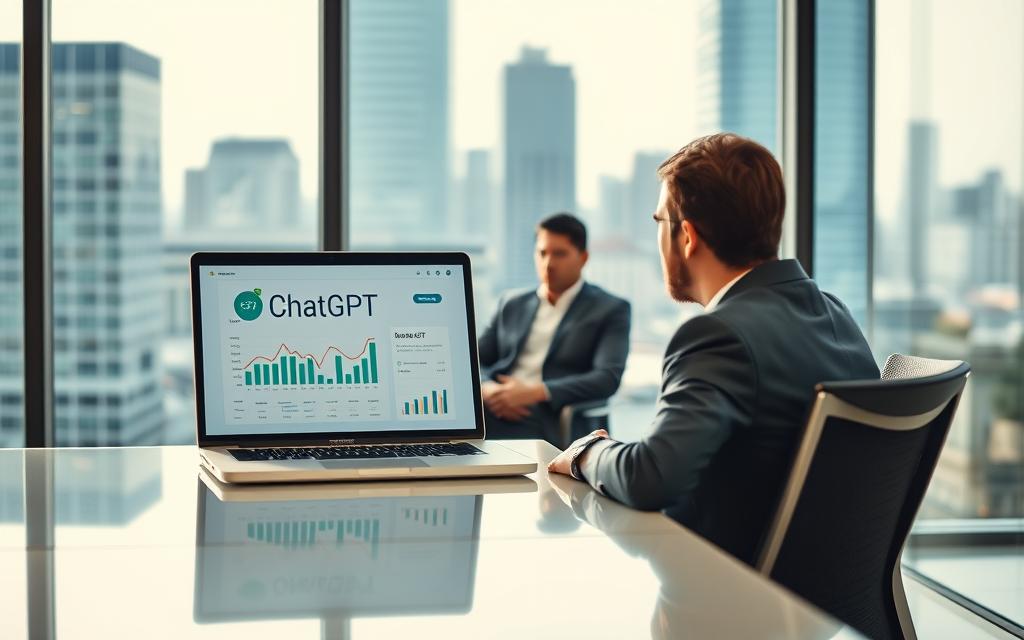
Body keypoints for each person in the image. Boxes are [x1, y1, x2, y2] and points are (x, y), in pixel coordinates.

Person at [547, 133, 880, 566]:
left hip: (727, 598)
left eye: (659, 223)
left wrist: (585, 452)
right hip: (828, 601)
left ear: (687, 236)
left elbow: (649, 478)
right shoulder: (834, 313)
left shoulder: (717, 335)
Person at [478, 213, 631, 446]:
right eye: (542, 253)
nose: (548, 263)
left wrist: (535, 392)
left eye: (559, 254)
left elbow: (607, 378)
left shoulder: (610, 309)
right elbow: (473, 361)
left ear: (583, 257)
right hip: (494, 404)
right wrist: (488, 390)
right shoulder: (511, 303)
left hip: (553, 415)